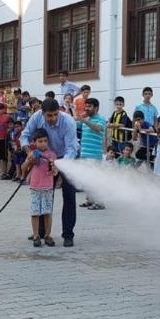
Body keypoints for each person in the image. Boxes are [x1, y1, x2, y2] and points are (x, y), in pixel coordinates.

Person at [20, 98, 80, 247]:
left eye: (55, 115)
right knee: (44, 193)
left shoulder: (68, 122)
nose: (52, 118)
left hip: (65, 159)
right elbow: (25, 135)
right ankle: (40, 233)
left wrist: (60, 165)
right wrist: (29, 152)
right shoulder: (36, 117)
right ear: (42, 113)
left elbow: (72, 148)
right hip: (44, 159)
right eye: (49, 116)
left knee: (69, 195)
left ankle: (68, 235)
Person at [21, 129, 58, 248]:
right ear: (34, 143)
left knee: (48, 212)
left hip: (48, 188)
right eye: (40, 141)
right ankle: (36, 236)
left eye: (45, 141)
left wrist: (53, 166)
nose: (43, 143)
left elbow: (55, 173)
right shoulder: (33, 154)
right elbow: (23, 167)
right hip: (35, 188)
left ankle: (47, 235)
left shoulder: (52, 154)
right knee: (35, 213)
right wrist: (29, 160)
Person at [78, 98, 107, 210]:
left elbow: (98, 128)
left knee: (95, 179)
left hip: (94, 155)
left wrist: (84, 120)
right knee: (87, 179)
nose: (87, 108)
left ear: (96, 108)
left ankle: (100, 202)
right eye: (86, 106)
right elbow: (75, 124)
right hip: (85, 154)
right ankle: (90, 200)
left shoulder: (100, 119)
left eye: (89, 106)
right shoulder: (86, 120)